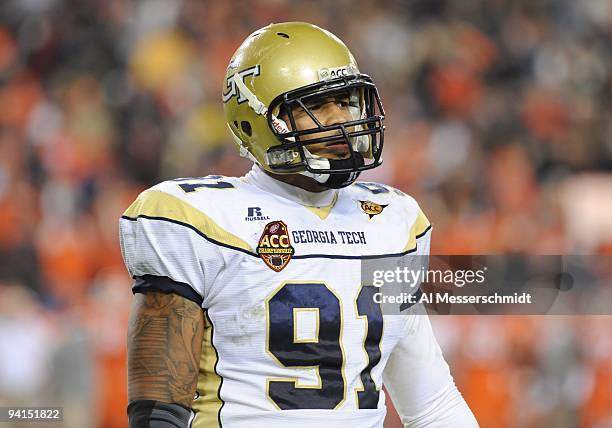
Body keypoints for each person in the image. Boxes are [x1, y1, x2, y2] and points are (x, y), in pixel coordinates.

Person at [120, 22, 478, 428]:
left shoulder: (392, 222)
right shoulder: (201, 219)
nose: (342, 120)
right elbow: (159, 411)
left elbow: (432, 404)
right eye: (318, 106)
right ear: (256, 120)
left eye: (346, 101)